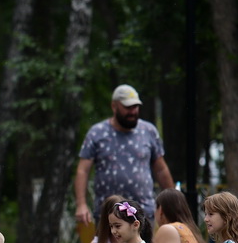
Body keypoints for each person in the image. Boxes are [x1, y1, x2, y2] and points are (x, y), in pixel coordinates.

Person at [73, 84, 174, 226]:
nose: (133, 111)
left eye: (135, 107)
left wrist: (172, 204)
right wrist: (81, 204)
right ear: (114, 106)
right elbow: (82, 171)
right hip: (108, 216)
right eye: (128, 107)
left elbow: (161, 170)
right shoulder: (97, 133)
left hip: (143, 214)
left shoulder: (148, 131)